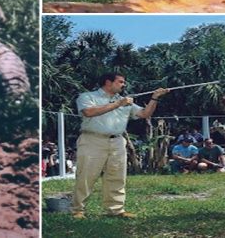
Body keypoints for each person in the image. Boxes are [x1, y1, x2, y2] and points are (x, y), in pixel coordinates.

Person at [71, 73, 169, 219]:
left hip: (117, 141)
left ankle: (116, 210)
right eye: (120, 82)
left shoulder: (125, 101)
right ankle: (78, 210)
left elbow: (144, 113)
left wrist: (154, 97)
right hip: (92, 140)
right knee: (86, 176)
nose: (124, 85)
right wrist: (117, 104)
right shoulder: (87, 97)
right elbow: (88, 112)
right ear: (108, 82)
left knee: (117, 176)